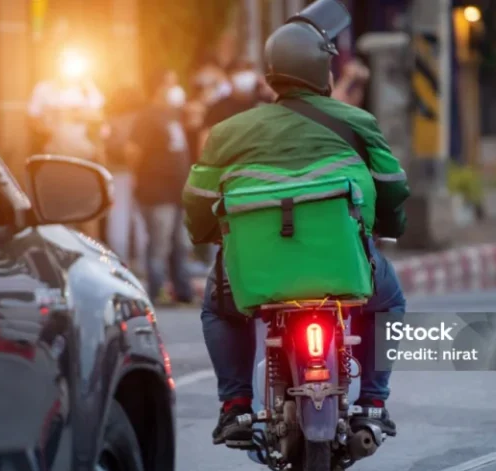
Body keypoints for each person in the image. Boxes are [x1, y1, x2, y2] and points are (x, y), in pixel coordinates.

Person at [183, 16, 410, 447]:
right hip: (343, 265)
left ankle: (235, 407)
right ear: (322, 71)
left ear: (271, 73)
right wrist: (388, 227)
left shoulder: (228, 132)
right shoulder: (357, 121)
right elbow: (393, 186)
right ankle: (373, 404)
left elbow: (196, 199)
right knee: (389, 299)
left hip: (254, 271)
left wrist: (208, 235)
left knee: (218, 305)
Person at [125, 70, 192, 305]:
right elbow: (132, 151)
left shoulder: (173, 115)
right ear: (158, 89)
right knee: (159, 244)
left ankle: (183, 291)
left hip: (177, 192)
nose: (175, 89)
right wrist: (143, 176)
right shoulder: (147, 116)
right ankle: (155, 291)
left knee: (180, 243)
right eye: (170, 84)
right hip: (157, 192)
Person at [28, 46, 106, 239]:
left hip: (83, 158)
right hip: (56, 158)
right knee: (60, 213)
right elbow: (33, 120)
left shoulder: (87, 89)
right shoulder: (44, 89)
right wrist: (51, 122)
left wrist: (74, 114)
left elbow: (99, 117)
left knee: (88, 212)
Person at [103, 86, 145, 265]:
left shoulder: (109, 121)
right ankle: (143, 261)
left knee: (118, 218)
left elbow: (104, 147)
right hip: (140, 173)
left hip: (116, 172)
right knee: (140, 218)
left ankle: (120, 260)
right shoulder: (141, 120)